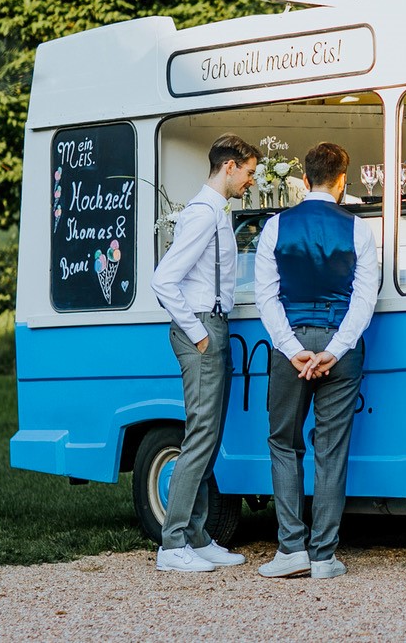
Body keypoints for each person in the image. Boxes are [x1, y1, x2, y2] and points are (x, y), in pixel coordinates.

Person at [254, 142, 379, 579]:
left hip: (292, 347)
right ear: (342, 181)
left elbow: (265, 299)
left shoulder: (274, 227)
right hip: (339, 350)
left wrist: (294, 350)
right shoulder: (359, 230)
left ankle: (291, 549)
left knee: (284, 443)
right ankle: (324, 556)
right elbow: (365, 302)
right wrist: (333, 351)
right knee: (331, 449)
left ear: (304, 180)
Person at [150, 134, 261, 573]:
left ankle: (196, 535)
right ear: (229, 166)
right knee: (199, 437)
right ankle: (172, 543)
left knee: (210, 436)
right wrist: (198, 335)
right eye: (249, 172)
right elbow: (164, 280)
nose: (250, 181)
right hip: (201, 328)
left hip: (213, 324)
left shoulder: (215, 211)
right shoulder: (202, 214)